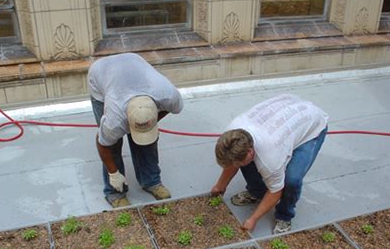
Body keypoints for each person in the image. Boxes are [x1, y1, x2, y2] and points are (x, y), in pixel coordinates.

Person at [211, 93, 328, 234]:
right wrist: (220, 185)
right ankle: (257, 192)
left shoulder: (270, 157)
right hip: (287, 112)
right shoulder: (231, 135)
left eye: (238, 162)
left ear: (250, 151)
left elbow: (275, 191)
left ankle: (285, 215)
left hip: (311, 126)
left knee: (292, 179)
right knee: (245, 163)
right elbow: (233, 162)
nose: (236, 164)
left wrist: (253, 219)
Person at [88, 53, 183, 208]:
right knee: (113, 144)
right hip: (101, 74)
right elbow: (103, 143)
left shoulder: (168, 95)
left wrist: (150, 123)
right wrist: (113, 173)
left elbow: (171, 109)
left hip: (133, 62)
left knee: (147, 141)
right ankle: (114, 191)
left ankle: (151, 181)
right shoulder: (114, 119)